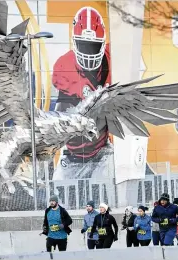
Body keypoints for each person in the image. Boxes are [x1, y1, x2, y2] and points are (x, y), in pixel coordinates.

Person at [52, 6, 112, 181]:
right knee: (58, 189)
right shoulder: (64, 67)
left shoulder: (112, 58)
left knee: (111, 186)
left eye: (93, 46)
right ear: (74, 42)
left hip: (102, 150)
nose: (88, 52)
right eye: (84, 45)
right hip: (72, 154)